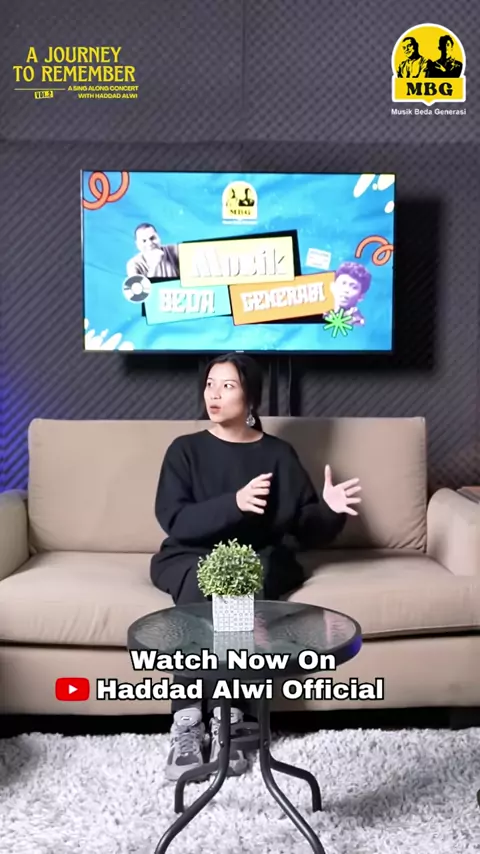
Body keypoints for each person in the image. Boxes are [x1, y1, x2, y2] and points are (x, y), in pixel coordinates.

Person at [150, 353, 362, 781]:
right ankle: (188, 721)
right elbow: (174, 519)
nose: (214, 394)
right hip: (191, 552)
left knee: (245, 579)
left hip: (258, 556)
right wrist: (234, 503)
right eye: (210, 384)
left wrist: (330, 509)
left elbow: (305, 529)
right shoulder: (185, 449)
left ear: (250, 397)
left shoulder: (278, 454)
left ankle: (233, 717)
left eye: (227, 386)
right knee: (203, 578)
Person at [329, 261, 371, 326]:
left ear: (361, 296)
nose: (346, 290)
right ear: (332, 286)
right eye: (343, 283)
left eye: (353, 287)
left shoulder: (358, 323)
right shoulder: (319, 314)